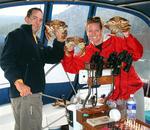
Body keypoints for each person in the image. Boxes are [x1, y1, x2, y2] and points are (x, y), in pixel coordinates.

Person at [61, 16, 144, 121]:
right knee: (119, 125)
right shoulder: (87, 52)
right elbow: (71, 67)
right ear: (86, 33)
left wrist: (126, 33)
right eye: (90, 31)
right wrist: (69, 51)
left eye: (97, 30)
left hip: (133, 91)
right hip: (114, 97)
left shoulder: (116, 41)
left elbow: (137, 54)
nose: (93, 34)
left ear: (102, 30)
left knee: (138, 124)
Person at [0, 7, 65, 130]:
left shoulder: (36, 41)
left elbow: (53, 57)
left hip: (31, 94)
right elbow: (6, 61)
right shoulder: (17, 35)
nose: (37, 22)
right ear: (27, 19)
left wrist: (60, 40)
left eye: (40, 20)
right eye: (35, 18)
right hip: (26, 93)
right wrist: (19, 83)